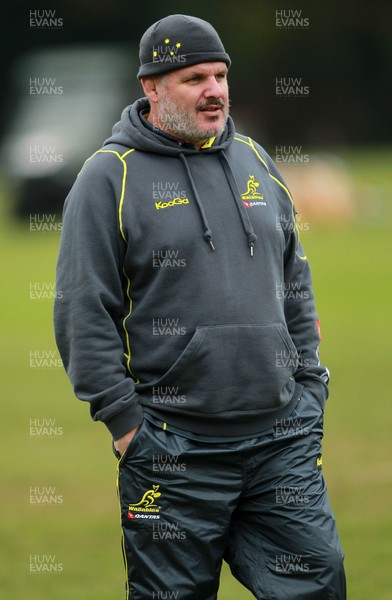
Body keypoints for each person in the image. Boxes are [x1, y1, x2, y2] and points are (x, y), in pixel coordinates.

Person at [54, 14, 346, 600]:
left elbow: (295, 281)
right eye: (194, 78)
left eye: (219, 75)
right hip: (171, 448)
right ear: (152, 88)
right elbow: (83, 311)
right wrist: (127, 426)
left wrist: (310, 386)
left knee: (318, 583)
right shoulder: (107, 178)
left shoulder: (257, 162)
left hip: (280, 441)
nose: (214, 90)